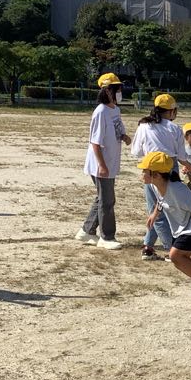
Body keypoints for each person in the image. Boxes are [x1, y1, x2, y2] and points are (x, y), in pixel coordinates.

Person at [139, 151, 191, 304]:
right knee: (181, 259)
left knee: (175, 256)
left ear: (156, 175)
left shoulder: (177, 190)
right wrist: (154, 214)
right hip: (185, 228)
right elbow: (161, 200)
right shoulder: (156, 185)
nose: (142, 173)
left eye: (144, 171)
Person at [75, 72, 131, 250]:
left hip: (110, 162)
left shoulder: (115, 110)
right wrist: (102, 165)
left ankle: (86, 231)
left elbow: (117, 129)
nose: (119, 93)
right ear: (107, 91)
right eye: (117, 89)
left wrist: (123, 136)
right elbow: (95, 142)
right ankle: (107, 237)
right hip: (101, 164)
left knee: (103, 198)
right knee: (107, 201)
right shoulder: (100, 112)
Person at [131, 94, 189, 261]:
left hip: (150, 167)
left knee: (155, 209)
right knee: (165, 209)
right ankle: (171, 248)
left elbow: (136, 152)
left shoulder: (144, 126)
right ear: (171, 111)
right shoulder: (175, 128)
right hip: (169, 167)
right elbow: (182, 156)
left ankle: (148, 246)